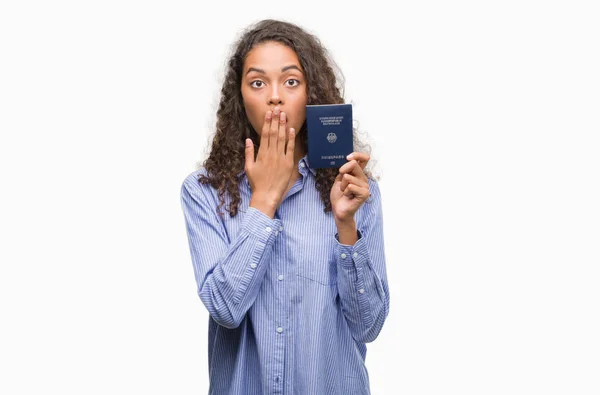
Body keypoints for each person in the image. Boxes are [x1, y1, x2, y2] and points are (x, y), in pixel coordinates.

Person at [180, 19, 390, 395]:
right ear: (240, 98)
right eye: (258, 82)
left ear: (310, 93)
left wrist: (346, 226)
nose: (275, 97)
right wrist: (264, 201)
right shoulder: (204, 192)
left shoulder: (354, 190)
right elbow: (225, 309)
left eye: (290, 81)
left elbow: (369, 326)